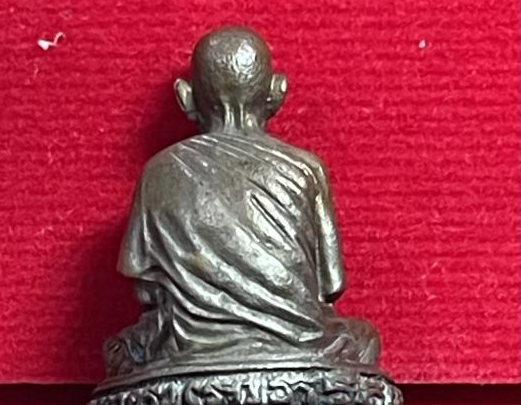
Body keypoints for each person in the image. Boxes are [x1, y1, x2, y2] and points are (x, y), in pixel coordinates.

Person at [104, 26, 379, 377]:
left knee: (122, 351)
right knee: (363, 340)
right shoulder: (305, 170)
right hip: (297, 347)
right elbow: (330, 286)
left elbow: (145, 288)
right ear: (277, 91)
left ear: (186, 97)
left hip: (187, 351)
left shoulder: (159, 172)